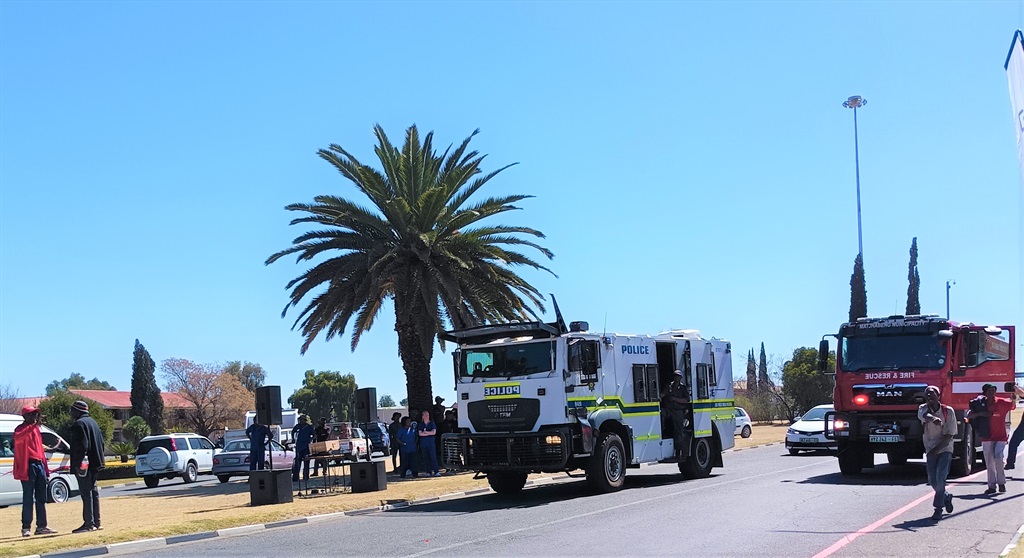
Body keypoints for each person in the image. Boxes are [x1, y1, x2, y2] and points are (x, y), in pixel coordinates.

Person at [14, 406, 57, 537]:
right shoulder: (20, 429)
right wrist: (33, 426)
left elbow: (39, 449)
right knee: (28, 497)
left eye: (35, 415)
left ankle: (42, 526)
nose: (34, 417)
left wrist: (46, 468)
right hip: (28, 465)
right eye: (31, 414)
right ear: (24, 416)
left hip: (39, 465)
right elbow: (18, 438)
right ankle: (26, 527)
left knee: (41, 497)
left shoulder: (36, 430)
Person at [969, 383, 1019, 494]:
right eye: (989, 391)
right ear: (985, 393)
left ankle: (1001, 483)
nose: (991, 393)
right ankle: (992, 486)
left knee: (998, 457)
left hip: (1000, 436)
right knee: (989, 461)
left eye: (993, 390)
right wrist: (982, 414)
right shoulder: (980, 404)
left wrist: (1014, 398)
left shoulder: (1001, 402)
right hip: (987, 437)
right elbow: (969, 415)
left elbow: (1013, 406)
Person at [918, 385, 957, 520]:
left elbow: (949, 435)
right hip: (930, 449)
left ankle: (938, 509)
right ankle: (946, 496)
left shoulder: (948, 411)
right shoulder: (923, 408)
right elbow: (924, 416)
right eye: (927, 394)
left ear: (938, 396)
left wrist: (936, 450)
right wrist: (932, 418)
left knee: (941, 478)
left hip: (944, 448)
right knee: (933, 481)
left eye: (932, 393)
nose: (929, 396)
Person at [69, 400, 104, 533]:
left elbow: (82, 447)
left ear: (78, 411)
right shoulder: (93, 422)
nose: (71, 413)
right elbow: (101, 443)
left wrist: (78, 465)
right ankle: (97, 522)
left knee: (86, 492)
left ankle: (88, 523)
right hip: (96, 463)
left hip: (85, 464)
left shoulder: (79, 424)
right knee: (93, 491)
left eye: (72, 410)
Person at [662, 370, 691, 458]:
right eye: (675, 376)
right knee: (660, 414)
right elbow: (663, 394)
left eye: (678, 376)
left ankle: (679, 451)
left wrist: (674, 399)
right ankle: (663, 431)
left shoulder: (683, 388)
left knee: (679, 431)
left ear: (681, 377)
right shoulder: (669, 386)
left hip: (678, 411)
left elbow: (686, 400)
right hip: (669, 409)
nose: (676, 377)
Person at [291, 415, 315, 483]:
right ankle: (296, 477)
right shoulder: (298, 426)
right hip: (299, 446)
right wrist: (293, 438)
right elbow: (293, 431)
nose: (300, 421)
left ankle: (306, 476)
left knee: (306, 462)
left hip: (306, 447)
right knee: (297, 462)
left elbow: (314, 435)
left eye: (302, 419)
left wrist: (310, 439)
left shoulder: (309, 427)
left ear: (304, 420)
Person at [418, 410, 440, 477]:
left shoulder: (432, 423)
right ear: (422, 416)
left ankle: (436, 471)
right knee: (426, 458)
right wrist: (429, 433)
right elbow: (420, 434)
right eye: (425, 415)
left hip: (431, 444)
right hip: (424, 444)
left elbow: (434, 432)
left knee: (433, 457)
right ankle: (428, 471)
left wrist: (425, 432)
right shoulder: (421, 424)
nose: (426, 416)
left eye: (427, 415)